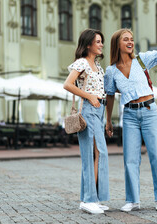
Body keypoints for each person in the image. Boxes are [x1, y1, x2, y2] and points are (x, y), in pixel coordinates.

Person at [104, 27, 157, 212]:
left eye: (131, 39)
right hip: (130, 116)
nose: (130, 42)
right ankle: (132, 200)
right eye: (126, 39)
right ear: (117, 44)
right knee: (130, 160)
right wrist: (108, 120)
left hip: (150, 112)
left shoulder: (142, 59)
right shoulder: (111, 71)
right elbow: (110, 96)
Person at [63, 29, 109, 214]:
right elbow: (68, 84)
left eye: (101, 41)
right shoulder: (82, 62)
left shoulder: (98, 65)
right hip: (89, 110)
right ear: (88, 44)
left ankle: (91, 198)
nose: (101, 44)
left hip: (100, 110)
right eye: (98, 41)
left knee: (99, 153)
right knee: (94, 154)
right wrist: (89, 96)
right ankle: (89, 199)